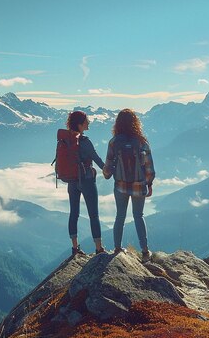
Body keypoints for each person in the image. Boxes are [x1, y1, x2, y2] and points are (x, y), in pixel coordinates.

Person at [103, 109, 155, 262]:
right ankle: (145, 252)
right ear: (135, 123)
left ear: (118, 123)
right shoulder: (141, 142)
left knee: (120, 216)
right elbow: (149, 167)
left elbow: (107, 167)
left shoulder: (114, 142)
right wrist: (149, 184)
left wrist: (107, 175)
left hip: (120, 185)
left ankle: (117, 248)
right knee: (139, 216)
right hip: (139, 185)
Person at [65, 111, 106, 255]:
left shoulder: (66, 140)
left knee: (73, 213)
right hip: (87, 181)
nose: (88, 123)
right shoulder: (85, 142)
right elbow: (97, 158)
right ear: (80, 124)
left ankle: (75, 248)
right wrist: (108, 171)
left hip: (71, 181)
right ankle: (99, 248)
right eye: (86, 121)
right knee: (93, 215)